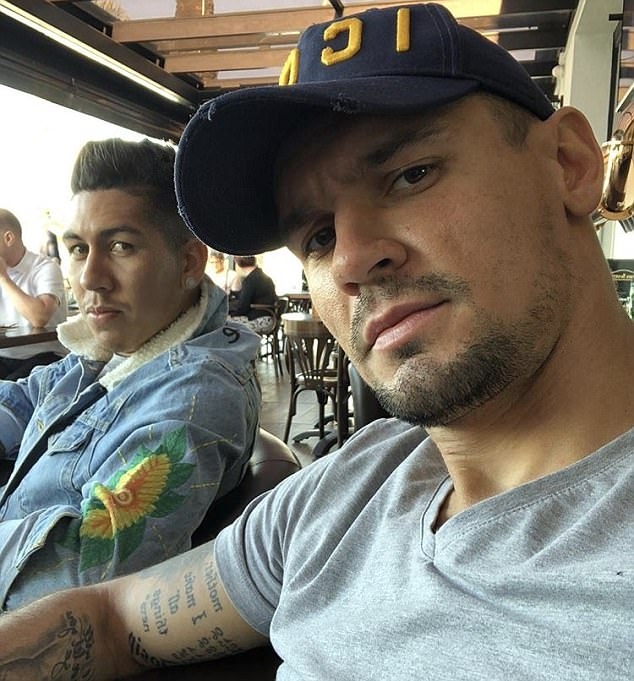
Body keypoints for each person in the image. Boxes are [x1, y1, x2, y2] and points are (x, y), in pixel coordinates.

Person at [1, 4, 633, 680]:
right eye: (318, 237)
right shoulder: (352, 485)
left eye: (411, 174)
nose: (352, 260)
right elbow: (110, 618)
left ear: (568, 164)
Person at [0, 137, 262, 613]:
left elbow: (81, 573)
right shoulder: (111, 349)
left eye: (121, 246)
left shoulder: (194, 397)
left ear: (189, 263)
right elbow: (22, 400)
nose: (89, 277)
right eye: (77, 249)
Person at [0, 208, 67, 379]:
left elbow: (40, 317)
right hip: (4, 355)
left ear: (8, 238)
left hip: (45, 356)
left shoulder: (45, 267)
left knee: (5, 391)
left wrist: (3, 278)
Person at [229, 255, 278, 333]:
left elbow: (242, 308)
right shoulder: (264, 278)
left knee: (222, 323)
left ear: (237, 261)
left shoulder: (250, 280)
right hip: (269, 319)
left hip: (258, 319)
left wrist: (229, 313)